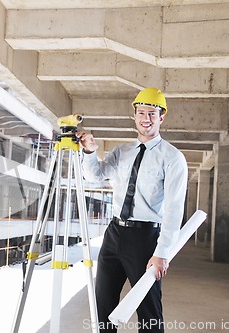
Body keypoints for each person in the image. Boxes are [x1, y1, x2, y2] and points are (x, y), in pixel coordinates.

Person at [77, 87, 188, 333]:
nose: (146, 118)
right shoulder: (122, 151)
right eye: (141, 112)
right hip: (114, 233)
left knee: (148, 311)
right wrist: (90, 151)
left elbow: (173, 209)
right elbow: (95, 175)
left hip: (145, 238)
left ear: (162, 117)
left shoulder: (172, 158)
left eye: (152, 113)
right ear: (134, 115)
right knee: (103, 304)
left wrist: (162, 253)